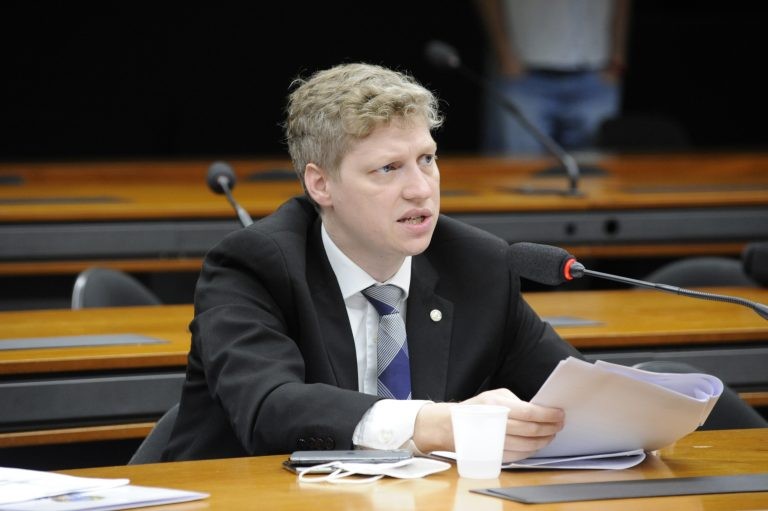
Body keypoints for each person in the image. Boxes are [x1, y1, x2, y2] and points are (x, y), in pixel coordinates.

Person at [162, 63, 582, 463]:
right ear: (321, 184)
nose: (420, 189)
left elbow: (577, 397)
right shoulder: (254, 267)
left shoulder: (478, 263)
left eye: (427, 160)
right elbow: (270, 407)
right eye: (388, 169)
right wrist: (435, 424)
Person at [476, 0, 631, 154]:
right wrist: (504, 53)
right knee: (520, 169)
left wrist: (618, 53)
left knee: (594, 171)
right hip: (526, 74)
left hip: (596, 72)